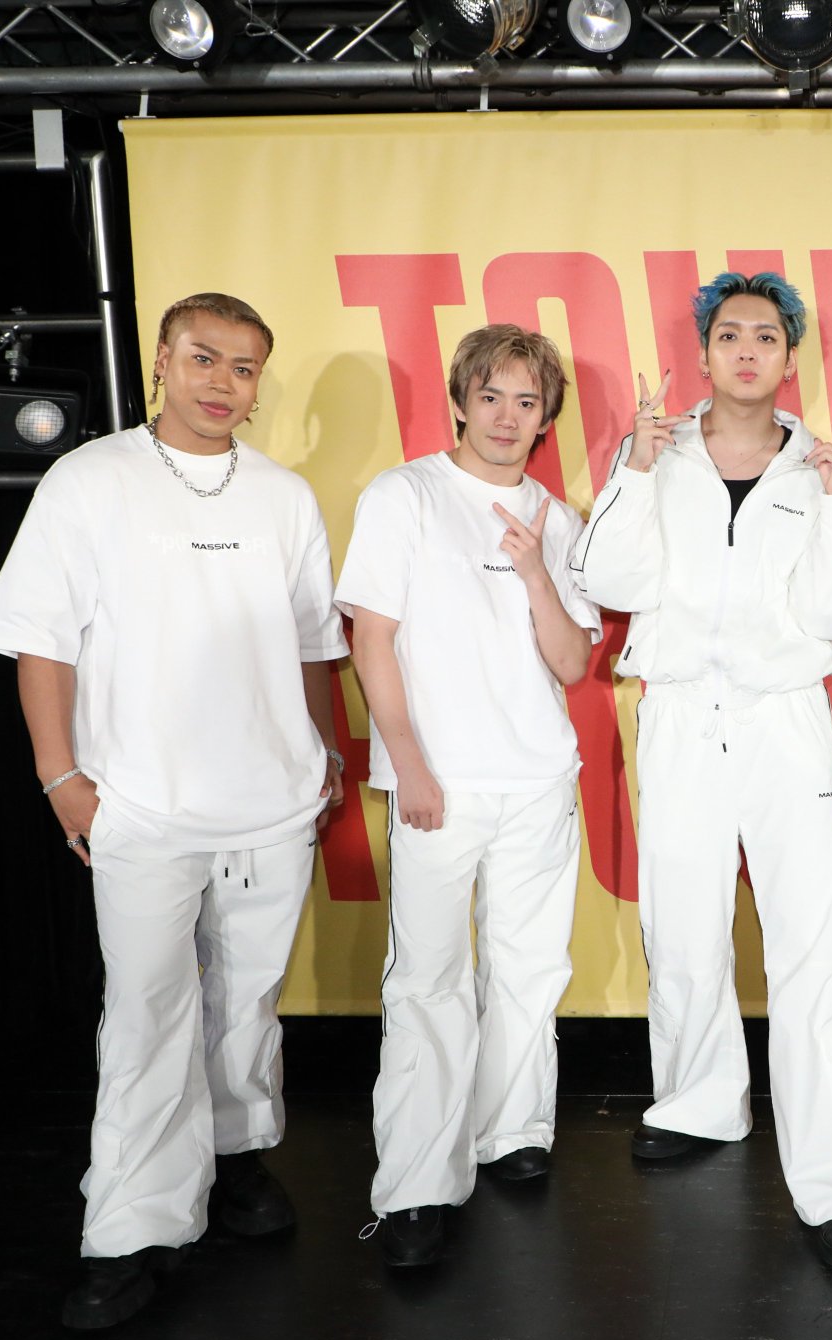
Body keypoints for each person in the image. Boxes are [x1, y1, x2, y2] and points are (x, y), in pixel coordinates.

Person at [0, 293, 347, 1328]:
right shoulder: (89, 480)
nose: (223, 383)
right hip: (140, 801)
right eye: (205, 359)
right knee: (147, 1013)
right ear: (163, 362)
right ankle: (131, 1228)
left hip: (273, 803)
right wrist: (61, 778)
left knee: (249, 999)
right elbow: (40, 638)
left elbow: (313, 645)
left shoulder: (284, 497)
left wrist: (324, 752)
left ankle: (236, 1158)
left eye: (244, 367)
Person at [570, 271, 832, 1269]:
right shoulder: (655, 454)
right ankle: (698, 1103)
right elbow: (609, 579)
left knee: (814, 946)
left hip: (784, 721)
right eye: (729, 335)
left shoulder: (823, 467)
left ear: (790, 358)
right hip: (678, 715)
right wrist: (634, 470)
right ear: (704, 353)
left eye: (765, 336)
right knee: (682, 927)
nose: (747, 350)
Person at [336, 325, 600, 1268]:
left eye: (527, 402)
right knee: (427, 981)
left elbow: (572, 663)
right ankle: (416, 1185)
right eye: (490, 396)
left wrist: (534, 571)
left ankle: (513, 1131)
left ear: (547, 417)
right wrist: (407, 761)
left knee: (530, 969)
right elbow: (371, 636)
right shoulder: (404, 495)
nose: (507, 417)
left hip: (538, 780)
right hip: (438, 785)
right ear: (459, 401)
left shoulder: (559, 520)